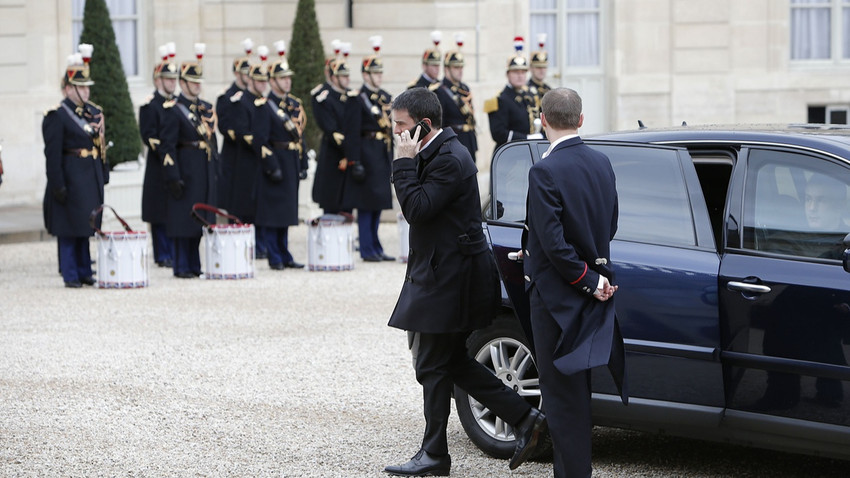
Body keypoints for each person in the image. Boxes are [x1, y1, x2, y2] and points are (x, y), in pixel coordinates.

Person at [384, 87, 545, 476]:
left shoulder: (450, 158)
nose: (396, 134)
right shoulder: (436, 151)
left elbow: (417, 210)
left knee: (433, 363)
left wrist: (402, 165)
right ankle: (526, 420)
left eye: (401, 127)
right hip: (441, 275)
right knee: (448, 360)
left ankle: (435, 455)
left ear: (424, 125)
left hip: (453, 281)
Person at [522, 87, 627, 478]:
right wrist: (594, 275)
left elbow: (553, 242)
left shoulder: (544, 169)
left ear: (542, 119)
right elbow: (608, 225)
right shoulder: (602, 162)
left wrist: (586, 279)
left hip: (557, 298)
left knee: (562, 397)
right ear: (581, 120)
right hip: (592, 288)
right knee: (575, 393)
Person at [43, 45, 109, 288]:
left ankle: (84, 270)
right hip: (70, 175)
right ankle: (71, 272)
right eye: (80, 87)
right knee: (70, 227)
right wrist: (57, 183)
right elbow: (52, 154)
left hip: (89, 174)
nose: (86, 91)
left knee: (86, 224)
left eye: (87, 86)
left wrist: (104, 170)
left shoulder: (93, 113)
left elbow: (100, 144)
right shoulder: (57, 116)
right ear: (68, 88)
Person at [158, 54, 217, 278]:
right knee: (183, 219)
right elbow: (167, 146)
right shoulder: (173, 109)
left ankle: (194, 264)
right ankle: (181, 265)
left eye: (198, 82)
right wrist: (172, 175)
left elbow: (213, 141)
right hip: (185, 168)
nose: (197, 86)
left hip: (203, 167)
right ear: (182, 83)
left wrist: (216, 170)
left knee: (199, 219)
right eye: (192, 82)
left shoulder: (206, 108)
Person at [341, 37, 395, 262]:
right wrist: (354, 160)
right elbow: (351, 132)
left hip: (381, 152)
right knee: (366, 204)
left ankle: (375, 245)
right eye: (375, 73)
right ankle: (366, 247)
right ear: (365, 75)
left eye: (380, 72)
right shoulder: (357, 98)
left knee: (379, 202)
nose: (379, 76)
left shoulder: (385, 98)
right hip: (365, 152)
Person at [139, 46, 178, 268]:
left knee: (174, 208)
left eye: (174, 79)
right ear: (158, 81)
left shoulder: (178, 104)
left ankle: (174, 250)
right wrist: (167, 152)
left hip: (176, 162)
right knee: (159, 210)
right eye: (167, 79)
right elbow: (148, 136)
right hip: (159, 163)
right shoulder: (150, 105)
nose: (172, 83)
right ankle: (162, 253)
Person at [311, 52, 351, 215]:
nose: (347, 79)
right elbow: (330, 128)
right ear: (333, 77)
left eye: (347, 75)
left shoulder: (351, 96)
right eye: (342, 76)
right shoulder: (323, 97)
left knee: (348, 204)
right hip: (333, 155)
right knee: (331, 202)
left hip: (349, 155)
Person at [215, 38, 253, 212]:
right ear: (237, 74)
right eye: (246, 74)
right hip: (234, 152)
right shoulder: (226, 97)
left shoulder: (255, 96)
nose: (249, 77)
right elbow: (224, 126)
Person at [485, 38, 539, 148]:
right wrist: (526, 138)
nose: (520, 75)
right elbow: (498, 133)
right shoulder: (499, 99)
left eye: (523, 72)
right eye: (515, 72)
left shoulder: (530, 96)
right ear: (507, 74)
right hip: (510, 154)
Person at [435, 33, 478, 160]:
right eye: (456, 67)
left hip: (468, 141)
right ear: (446, 68)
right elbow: (440, 124)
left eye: (461, 67)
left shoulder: (464, 89)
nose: (460, 70)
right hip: (453, 144)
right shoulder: (440, 91)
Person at [527, 34, 552, 122]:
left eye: (544, 67)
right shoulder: (526, 89)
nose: (542, 70)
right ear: (531, 68)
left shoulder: (548, 89)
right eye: (538, 67)